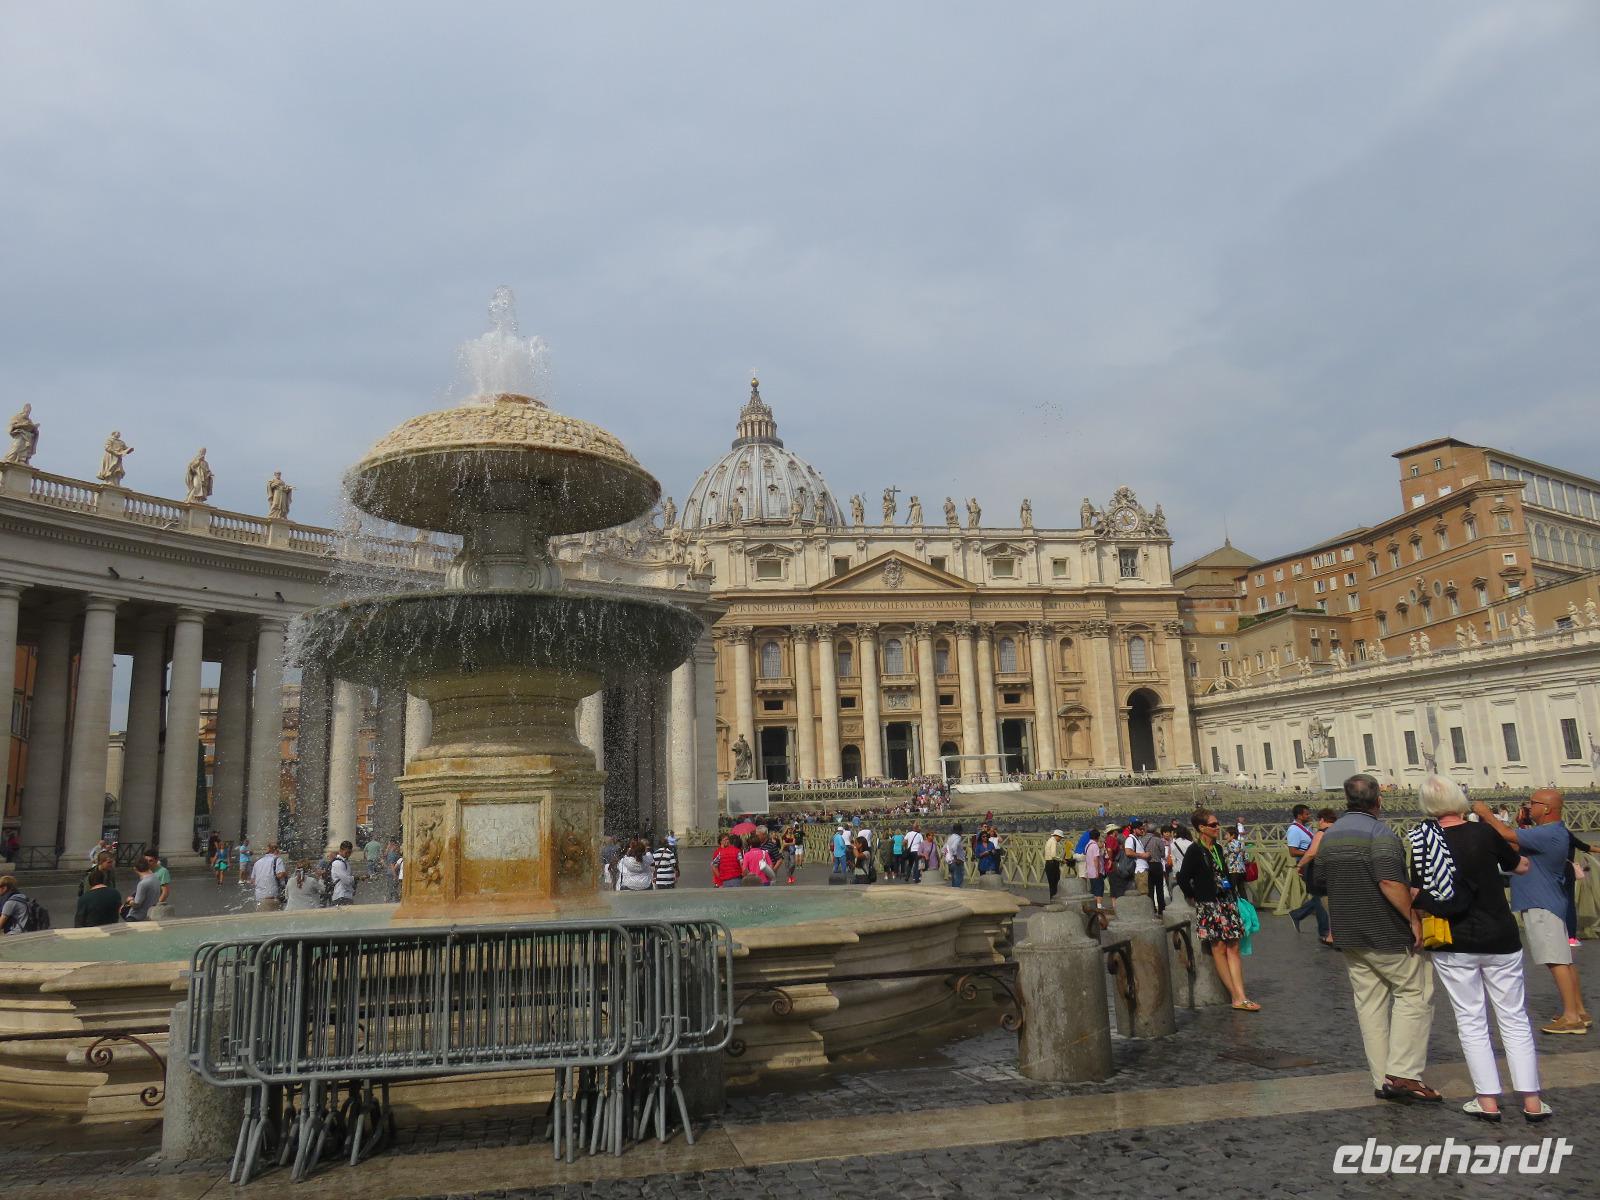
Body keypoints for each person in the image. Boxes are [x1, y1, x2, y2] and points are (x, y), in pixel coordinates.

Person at [1410, 777, 1549, 1122]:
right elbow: (1519, 865)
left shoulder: (1422, 840)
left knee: (1470, 1020)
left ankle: (1488, 1101)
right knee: (1514, 1017)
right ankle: (1531, 1101)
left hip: (1453, 939)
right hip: (1499, 936)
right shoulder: (1484, 834)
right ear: (1460, 800)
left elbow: (1415, 890)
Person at [1310, 774, 1437, 1104]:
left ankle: (1382, 1079)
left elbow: (1319, 880)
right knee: (1415, 993)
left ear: (1346, 800)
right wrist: (1412, 917)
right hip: (1386, 932)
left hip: (1350, 933)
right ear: (1378, 801)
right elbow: (1390, 883)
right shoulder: (1381, 834)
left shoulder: (1331, 835)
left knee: (1370, 1004)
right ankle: (1404, 1074)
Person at [1505, 788, 1591, 1035]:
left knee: (1555, 961)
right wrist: (1521, 824)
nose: (1529, 806)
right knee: (1564, 959)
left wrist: (1483, 814)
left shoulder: (1548, 833)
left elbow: (1502, 834)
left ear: (1546, 808)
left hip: (1541, 904)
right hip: (1550, 902)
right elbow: (1514, 843)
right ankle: (1579, 1010)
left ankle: (1571, 1017)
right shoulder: (1553, 832)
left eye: (1533, 803)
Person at [1175, 808, 1258, 1011]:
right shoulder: (1195, 850)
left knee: (1234, 947)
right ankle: (1236, 997)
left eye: (1217, 823)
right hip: (1209, 904)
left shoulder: (1219, 849)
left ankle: (1241, 994)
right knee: (1219, 948)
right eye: (1213, 825)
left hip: (1226, 902)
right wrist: (1194, 895)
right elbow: (1183, 877)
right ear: (1201, 828)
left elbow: (1225, 873)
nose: (1217, 827)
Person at [1287, 804, 1332, 944]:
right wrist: (1312, 854)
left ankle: (1297, 914)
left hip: (1314, 864)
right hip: (1307, 865)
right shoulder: (1294, 830)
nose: (1309, 816)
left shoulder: (1306, 829)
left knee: (1320, 896)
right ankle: (1324, 930)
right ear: (1299, 816)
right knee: (1319, 896)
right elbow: (1292, 851)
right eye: (1306, 814)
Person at [250, 840, 288, 912]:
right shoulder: (277, 860)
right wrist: (285, 873)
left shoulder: (258, 862)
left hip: (259, 897)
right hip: (272, 896)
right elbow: (279, 875)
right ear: (276, 850)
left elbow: (252, 881)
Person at [1147, 825, 1170, 915]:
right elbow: (1163, 854)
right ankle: (1161, 908)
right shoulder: (1158, 840)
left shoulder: (1142, 839)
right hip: (1157, 864)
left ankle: (1152, 908)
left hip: (1147, 865)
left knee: (1150, 888)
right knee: (1159, 888)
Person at [329, 841, 359, 906]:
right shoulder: (337, 863)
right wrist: (356, 878)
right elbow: (346, 880)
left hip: (347, 895)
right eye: (346, 852)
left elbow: (348, 879)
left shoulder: (345, 862)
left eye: (350, 852)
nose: (348, 854)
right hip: (340, 895)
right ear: (340, 850)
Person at [1042, 829, 1066, 900]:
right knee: (1055, 884)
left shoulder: (1049, 840)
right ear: (1057, 836)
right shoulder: (1054, 842)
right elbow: (1053, 855)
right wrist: (1061, 860)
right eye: (1060, 838)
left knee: (1051, 884)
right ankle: (1054, 900)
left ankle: (1052, 900)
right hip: (1052, 864)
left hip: (1048, 863)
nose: (1060, 839)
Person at [1083, 828, 1104, 901]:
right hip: (1096, 871)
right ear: (1098, 837)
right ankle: (1099, 905)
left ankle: (1095, 905)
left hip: (1090, 871)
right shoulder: (1095, 846)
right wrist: (1097, 871)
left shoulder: (1088, 845)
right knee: (1099, 889)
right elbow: (1096, 859)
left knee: (1093, 889)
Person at [944, 824, 968, 888]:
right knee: (958, 881)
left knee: (954, 881)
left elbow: (944, 848)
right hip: (957, 862)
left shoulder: (950, 837)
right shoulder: (958, 837)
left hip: (950, 862)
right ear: (959, 830)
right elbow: (953, 847)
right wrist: (956, 858)